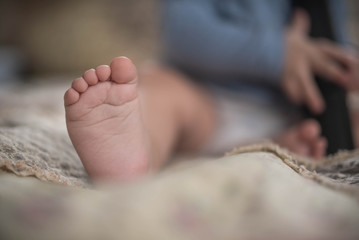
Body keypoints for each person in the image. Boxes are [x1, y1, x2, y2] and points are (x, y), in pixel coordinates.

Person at [64, 0, 359, 181]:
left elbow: (333, 43)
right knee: (159, 92)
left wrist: (346, 63)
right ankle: (134, 158)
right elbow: (183, 34)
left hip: (293, 110)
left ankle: (276, 144)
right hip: (207, 96)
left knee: (350, 120)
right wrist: (278, 54)